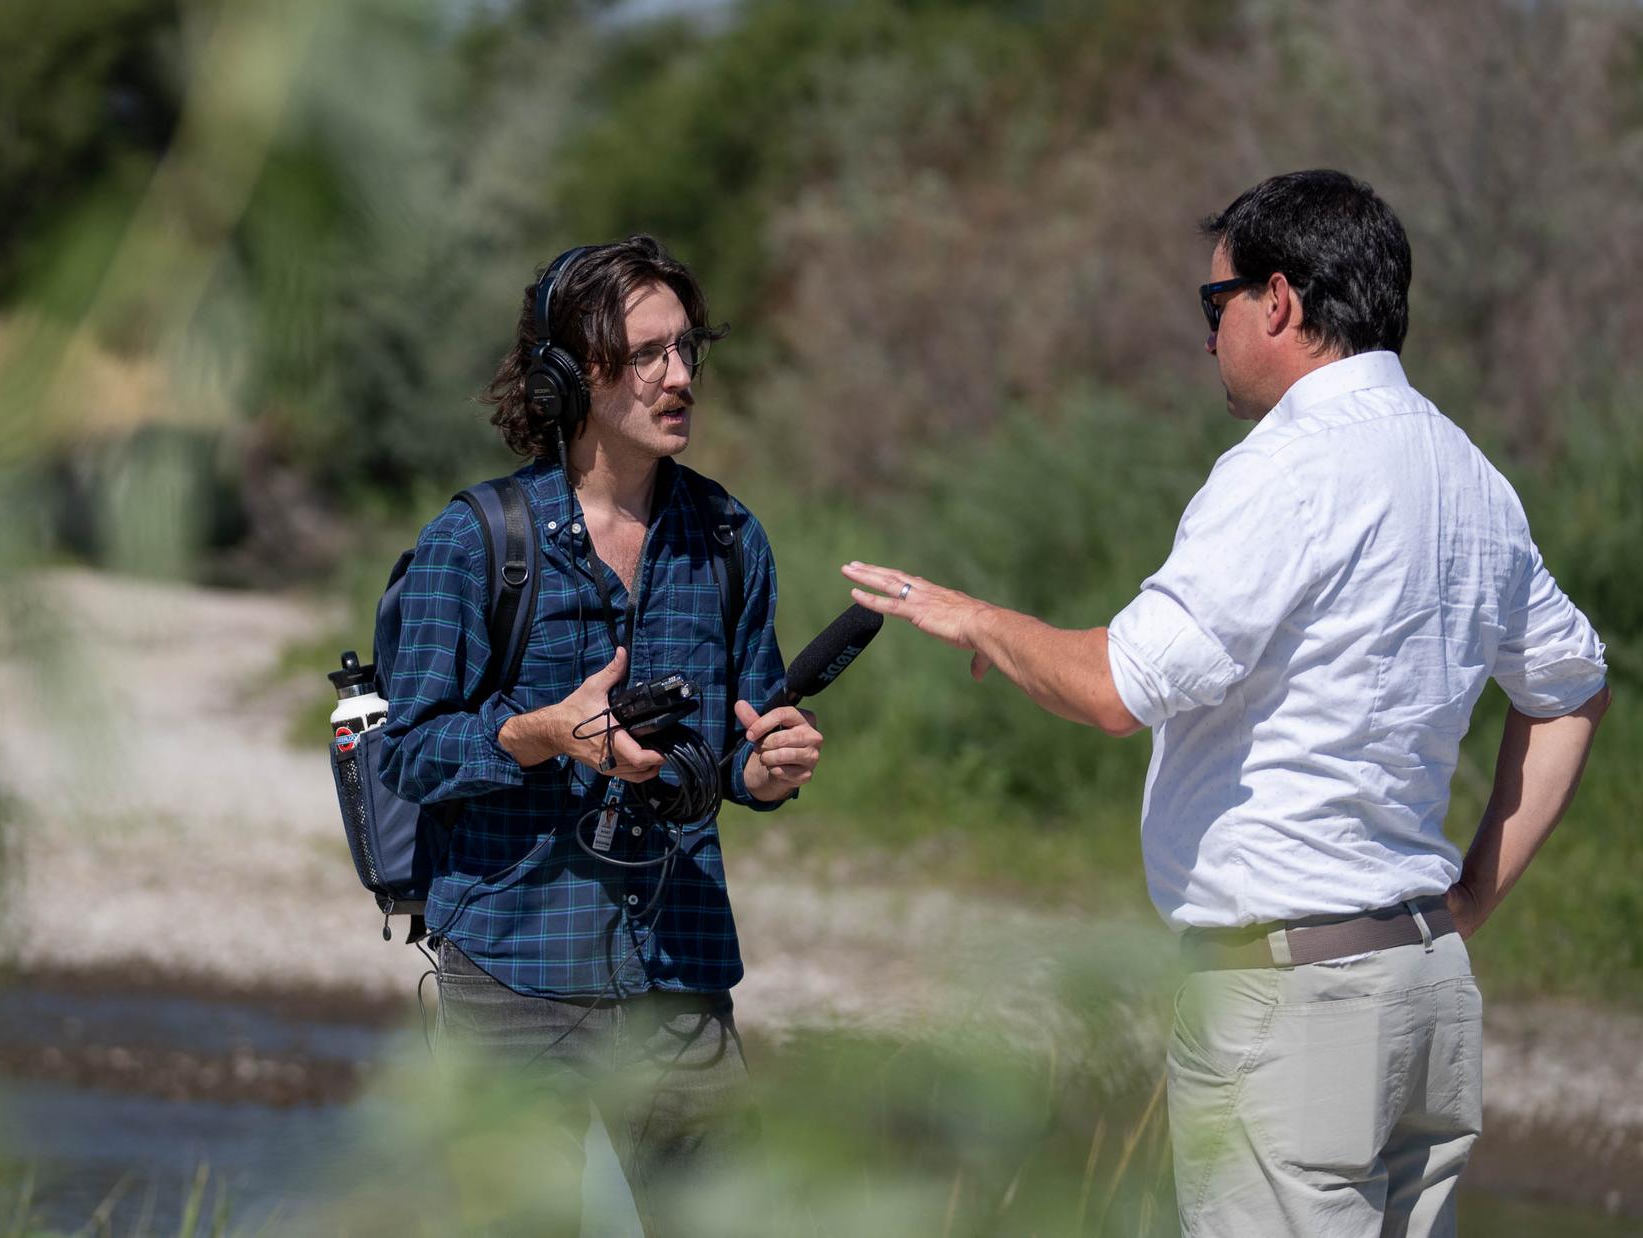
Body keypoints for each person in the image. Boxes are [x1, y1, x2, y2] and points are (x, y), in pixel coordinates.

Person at [842, 170, 1610, 1236]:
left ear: (1279, 302)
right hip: (1426, 985)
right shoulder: (1469, 472)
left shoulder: (1288, 465)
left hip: (1295, 1004)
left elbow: (1118, 687)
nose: (1210, 339)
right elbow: (1572, 689)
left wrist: (974, 617)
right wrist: (1469, 896)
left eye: (1218, 307)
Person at [378, 235, 823, 1235]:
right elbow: (409, 751)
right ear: (570, 378)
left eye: (686, 350)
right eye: (645, 355)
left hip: (680, 974)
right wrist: (543, 731)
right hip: (508, 974)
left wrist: (768, 764)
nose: (678, 377)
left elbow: (742, 743)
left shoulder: (728, 536)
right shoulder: (477, 540)